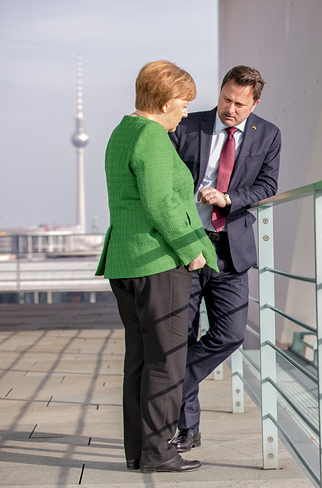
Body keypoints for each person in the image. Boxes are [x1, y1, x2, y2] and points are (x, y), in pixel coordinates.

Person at [96, 60, 218, 473]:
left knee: (141, 360)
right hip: (157, 262)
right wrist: (191, 250)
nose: (186, 112)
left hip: (125, 262)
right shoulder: (151, 136)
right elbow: (161, 202)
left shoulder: (122, 131)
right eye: (184, 104)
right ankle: (160, 452)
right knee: (167, 361)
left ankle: (140, 452)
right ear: (166, 102)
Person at [169, 65, 281, 452]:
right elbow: (167, 183)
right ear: (220, 93)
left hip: (231, 249)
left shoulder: (268, 134)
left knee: (231, 334)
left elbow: (268, 184)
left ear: (255, 103)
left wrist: (229, 198)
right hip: (187, 245)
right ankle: (188, 429)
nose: (230, 109)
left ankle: (172, 381)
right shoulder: (186, 126)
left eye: (239, 104)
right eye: (226, 99)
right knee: (181, 337)